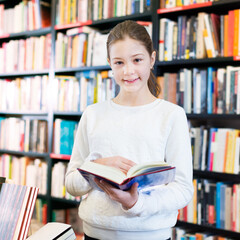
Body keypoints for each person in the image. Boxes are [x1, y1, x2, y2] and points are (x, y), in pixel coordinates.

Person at [65, 20, 193, 240]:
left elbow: (183, 189)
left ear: (151, 59)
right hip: (95, 233)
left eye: (137, 60)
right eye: (119, 62)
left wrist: (135, 203)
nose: (128, 71)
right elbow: (71, 185)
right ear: (110, 64)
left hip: (150, 235)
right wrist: (95, 167)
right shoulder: (92, 114)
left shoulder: (172, 115)